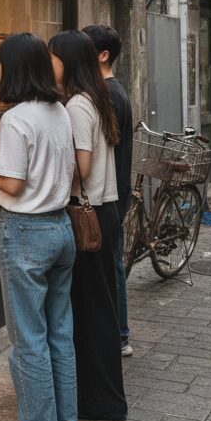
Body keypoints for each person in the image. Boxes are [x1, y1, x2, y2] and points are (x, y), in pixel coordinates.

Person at [0, 33, 77, 421]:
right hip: (60, 228)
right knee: (59, 334)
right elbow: (41, 167)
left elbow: (13, 184)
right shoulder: (58, 111)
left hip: (27, 232)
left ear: (11, 68)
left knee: (27, 338)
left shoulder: (15, 117)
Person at [48, 30, 128, 421]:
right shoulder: (96, 96)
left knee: (90, 309)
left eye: (54, 57)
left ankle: (99, 401)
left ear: (69, 61)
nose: (50, 65)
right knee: (100, 307)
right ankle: (104, 397)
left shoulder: (78, 104)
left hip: (88, 214)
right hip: (104, 211)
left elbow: (81, 167)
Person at [83, 23, 134, 357]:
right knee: (112, 264)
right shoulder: (112, 91)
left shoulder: (109, 95)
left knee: (111, 266)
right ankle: (120, 334)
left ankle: (119, 336)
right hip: (115, 192)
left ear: (102, 55)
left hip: (110, 195)